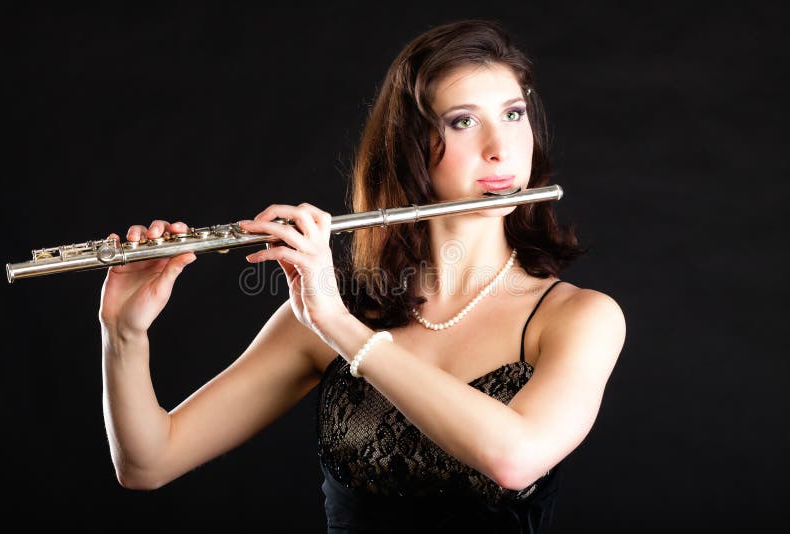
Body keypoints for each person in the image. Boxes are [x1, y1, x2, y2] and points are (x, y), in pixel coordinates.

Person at [99, 19, 626, 533]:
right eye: (463, 121)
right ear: (411, 145)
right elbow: (148, 463)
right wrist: (123, 333)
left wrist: (340, 327)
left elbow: (516, 458)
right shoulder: (325, 311)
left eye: (513, 114)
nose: (501, 148)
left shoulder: (577, 318)